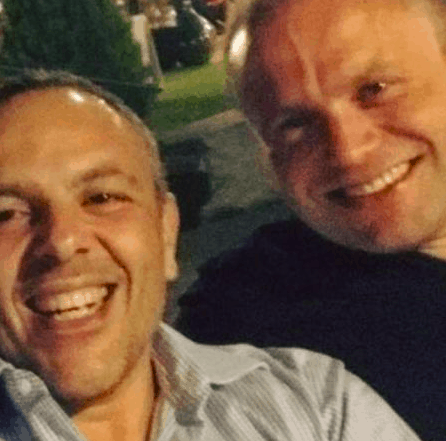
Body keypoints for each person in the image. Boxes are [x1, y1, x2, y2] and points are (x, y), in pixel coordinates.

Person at [0, 70, 420, 441]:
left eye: (102, 197)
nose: (62, 241)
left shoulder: (315, 403)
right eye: (6, 215)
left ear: (166, 232)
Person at [175, 0, 446, 440]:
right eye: (295, 124)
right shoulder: (246, 331)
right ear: (267, 156)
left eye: (374, 89)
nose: (348, 151)